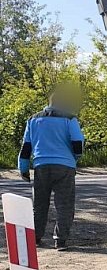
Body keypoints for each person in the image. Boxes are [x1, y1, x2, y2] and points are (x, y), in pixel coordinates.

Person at [18, 92, 85, 251]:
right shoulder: (70, 118)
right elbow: (78, 143)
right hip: (65, 166)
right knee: (64, 205)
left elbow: (26, 147)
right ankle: (60, 241)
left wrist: (23, 168)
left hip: (41, 165)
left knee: (39, 205)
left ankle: (36, 237)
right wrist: (75, 158)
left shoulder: (33, 119)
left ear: (50, 102)